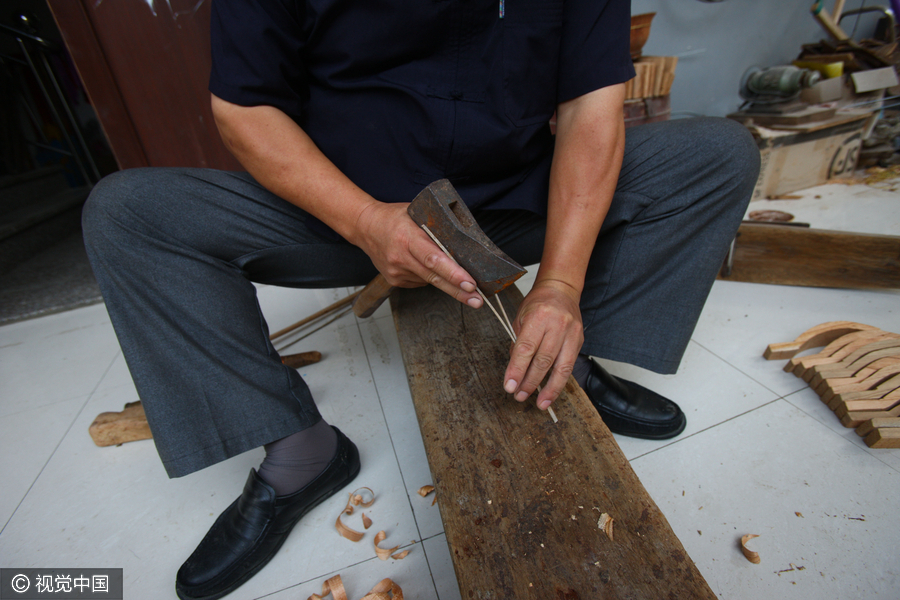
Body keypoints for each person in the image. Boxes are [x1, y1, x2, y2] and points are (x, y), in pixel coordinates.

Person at [81, 0, 760, 598]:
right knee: (128, 214)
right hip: (343, 208)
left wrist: (559, 285)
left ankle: (565, 364)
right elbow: (244, 108)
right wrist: (366, 222)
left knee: (717, 153)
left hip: (512, 198)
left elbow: (591, 106)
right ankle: (302, 453)